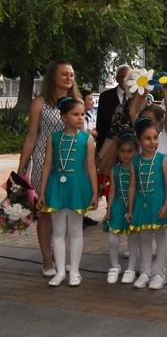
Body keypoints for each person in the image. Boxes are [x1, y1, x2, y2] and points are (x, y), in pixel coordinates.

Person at [18, 61, 82, 277]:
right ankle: (47, 260)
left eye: (72, 74)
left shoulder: (77, 102)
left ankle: (62, 257)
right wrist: (22, 166)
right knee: (46, 212)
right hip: (45, 164)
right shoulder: (41, 103)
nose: (69, 78)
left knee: (67, 213)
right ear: (53, 76)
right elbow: (32, 136)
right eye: (64, 74)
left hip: (71, 165)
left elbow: (81, 135)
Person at [38, 97, 98, 287]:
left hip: (77, 186)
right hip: (57, 185)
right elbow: (47, 165)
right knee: (58, 231)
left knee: (75, 230)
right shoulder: (53, 137)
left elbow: (90, 167)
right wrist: (42, 192)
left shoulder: (87, 139)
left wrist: (95, 192)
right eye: (75, 114)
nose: (80, 118)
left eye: (82, 114)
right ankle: (60, 271)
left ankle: (75, 272)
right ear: (64, 116)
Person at [128, 117, 167, 290]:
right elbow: (133, 186)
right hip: (141, 203)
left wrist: (166, 205)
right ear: (139, 140)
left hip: (158, 203)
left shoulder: (162, 159)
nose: (152, 142)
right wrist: (130, 208)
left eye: (155, 137)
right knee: (144, 238)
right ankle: (146, 271)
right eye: (147, 138)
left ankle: (159, 273)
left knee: (160, 237)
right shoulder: (135, 161)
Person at [103, 131, 140, 284]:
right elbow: (112, 191)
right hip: (118, 205)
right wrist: (108, 209)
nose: (126, 155)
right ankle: (114, 266)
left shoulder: (137, 169)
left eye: (130, 152)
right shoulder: (115, 170)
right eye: (122, 152)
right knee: (113, 239)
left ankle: (131, 268)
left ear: (136, 152)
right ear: (118, 153)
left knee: (132, 239)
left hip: (133, 206)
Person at [95, 65, 130, 153]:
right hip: (109, 145)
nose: (126, 80)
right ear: (117, 78)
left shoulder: (136, 96)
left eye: (129, 77)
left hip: (130, 146)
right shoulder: (106, 97)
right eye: (123, 77)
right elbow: (101, 123)